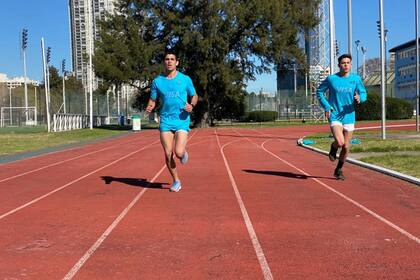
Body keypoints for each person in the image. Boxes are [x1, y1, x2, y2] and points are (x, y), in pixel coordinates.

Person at [146, 50, 198, 192]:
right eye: (167, 59)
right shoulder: (157, 82)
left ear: (177, 62)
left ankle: (183, 154)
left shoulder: (185, 79)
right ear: (164, 62)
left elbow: (194, 96)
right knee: (168, 153)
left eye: (172, 59)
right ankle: (176, 181)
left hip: (181, 120)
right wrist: (150, 106)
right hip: (166, 121)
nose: (169, 61)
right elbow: (153, 99)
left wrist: (191, 105)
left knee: (179, 152)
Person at [316, 54, 367, 180]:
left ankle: (338, 169)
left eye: (348, 62)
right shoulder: (332, 79)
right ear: (339, 65)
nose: (346, 65)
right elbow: (319, 92)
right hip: (335, 115)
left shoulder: (356, 79)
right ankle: (333, 147)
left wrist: (360, 98)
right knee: (340, 142)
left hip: (349, 115)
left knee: (346, 146)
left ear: (350, 64)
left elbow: (363, 92)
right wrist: (327, 106)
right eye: (343, 63)